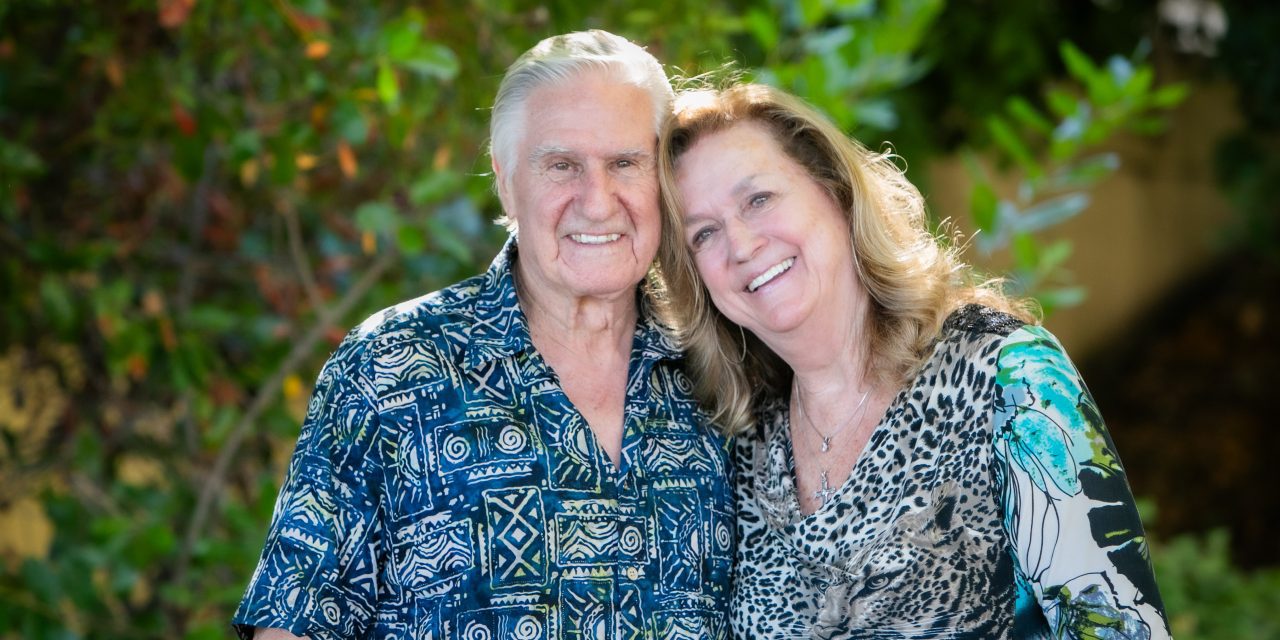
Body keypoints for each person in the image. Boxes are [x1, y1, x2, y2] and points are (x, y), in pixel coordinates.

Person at [232, 31, 734, 640]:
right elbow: (294, 622)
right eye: (561, 166)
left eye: (626, 163)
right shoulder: (389, 367)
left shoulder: (722, 366)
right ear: (504, 181)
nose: (597, 202)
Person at [653, 82, 1170, 638]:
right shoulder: (748, 448)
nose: (741, 245)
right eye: (704, 234)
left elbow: (1116, 625)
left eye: (759, 200)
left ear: (835, 192)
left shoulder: (1006, 375)